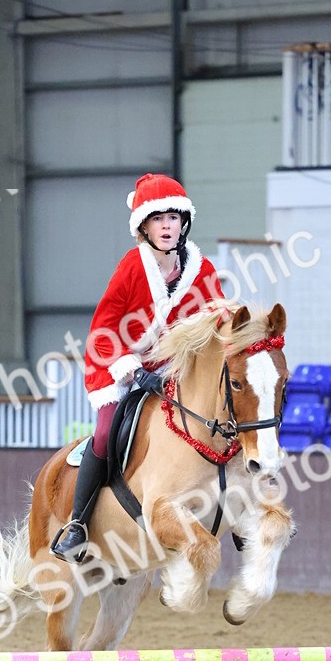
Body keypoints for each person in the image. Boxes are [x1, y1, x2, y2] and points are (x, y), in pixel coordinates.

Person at [50, 172, 225, 563]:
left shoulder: (202, 271)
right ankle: (77, 524)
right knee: (105, 432)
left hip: (170, 370)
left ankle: (240, 511)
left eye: (173, 218)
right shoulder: (132, 267)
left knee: (217, 417)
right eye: (158, 219)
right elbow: (103, 328)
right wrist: (131, 368)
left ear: (184, 223)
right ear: (144, 227)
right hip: (115, 361)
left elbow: (217, 320)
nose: (166, 226)